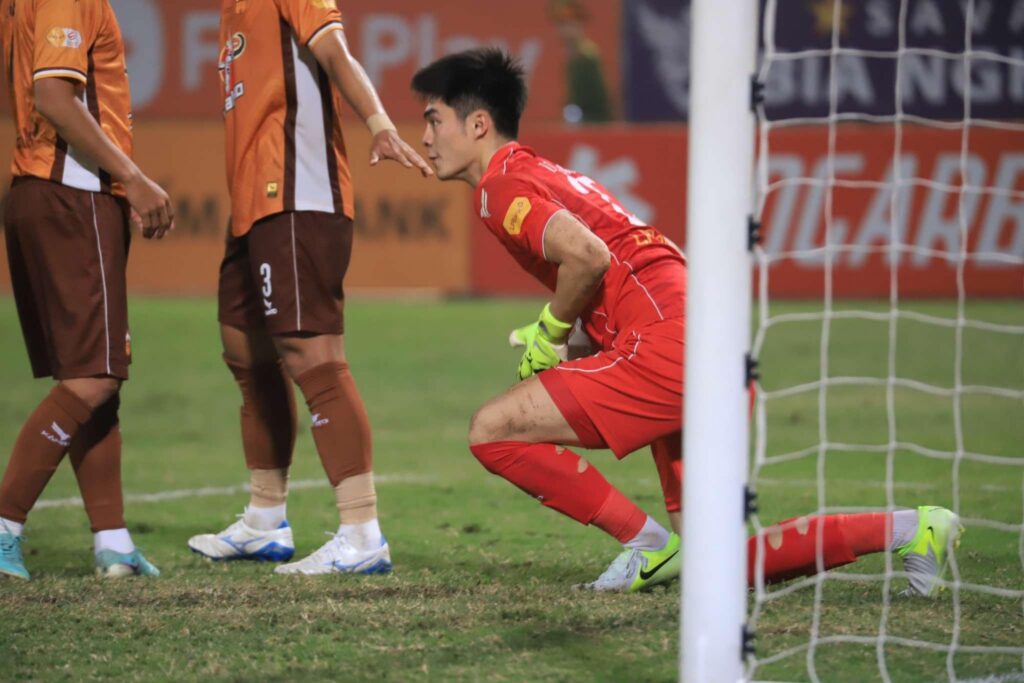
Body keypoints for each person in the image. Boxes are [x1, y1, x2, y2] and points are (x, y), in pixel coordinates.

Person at [410, 48, 962, 594]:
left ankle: (647, 545)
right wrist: (574, 337)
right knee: (714, 564)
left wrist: (551, 330)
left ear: (478, 124)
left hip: (667, 347)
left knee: (492, 431)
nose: (427, 137)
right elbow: (624, 265)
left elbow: (589, 256)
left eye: (435, 120)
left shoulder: (501, 187)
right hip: (705, 338)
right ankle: (913, 530)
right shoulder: (544, 173)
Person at [187, 0, 432, 576]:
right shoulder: (232, 11)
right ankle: (265, 520)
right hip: (251, 203)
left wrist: (379, 123)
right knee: (246, 353)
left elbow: (335, 52)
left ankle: (361, 532)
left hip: (297, 191)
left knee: (314, 359)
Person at [0, 0, 174, 580]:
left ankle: (112, 540)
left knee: (93, 373)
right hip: (73, 194)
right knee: (94, 376)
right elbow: (54, 95)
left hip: (45, 190)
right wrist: (133, 178)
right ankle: (4, 524)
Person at [549, 0, 613, 124]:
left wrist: (572, 121)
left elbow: (588, 100)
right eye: (560, 24)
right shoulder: (574, 54)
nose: (564, 29)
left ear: (580, 25)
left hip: (593, 124)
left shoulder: (585, 57)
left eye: (569, 23)